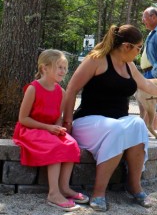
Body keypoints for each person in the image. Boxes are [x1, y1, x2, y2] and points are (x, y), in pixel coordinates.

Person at [63, 24, 157, 212]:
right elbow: (72, 89)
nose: (139, 52)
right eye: (139, 48)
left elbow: (144, 83)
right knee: (116, 128)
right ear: (126, 46)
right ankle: (98, 192)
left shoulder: (129, 65)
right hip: (88, 121)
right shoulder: (96, 59)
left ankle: (134, 186)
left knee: (137, 123)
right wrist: (67, 122)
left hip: (116, 124)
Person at [13, 49, 89, 212]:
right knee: (55, 146)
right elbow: (23, 118)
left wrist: (59, 127)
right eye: (59, 67)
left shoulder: (60, 92)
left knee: (71, 144)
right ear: (44, 68)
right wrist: (49, 128)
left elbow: (57, 117)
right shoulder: (33, 89)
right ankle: (53, 193)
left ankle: (64, 187)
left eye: (64, 67)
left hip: (49, 129)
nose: (63, 71)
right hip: (30, 129)